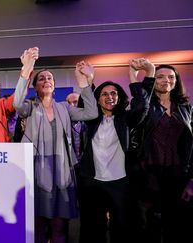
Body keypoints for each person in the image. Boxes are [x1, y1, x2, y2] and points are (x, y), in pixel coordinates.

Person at [13, 55, 99, 243]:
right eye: (41, 78)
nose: (46, 80)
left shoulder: (65, 108)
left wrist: (83, 83)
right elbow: (16, 103)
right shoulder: (29, 107)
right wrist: (26, 71)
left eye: (49, 77)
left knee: (60, 226)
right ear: (35, 86)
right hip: (36, 169)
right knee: (38, 226)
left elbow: (92, 113)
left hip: (62, 170)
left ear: (54, 84)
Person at [75, 77, 149, 243]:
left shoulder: (127, 119)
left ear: (119, 97)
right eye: (104, 94)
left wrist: (135, 79)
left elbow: (142, 106)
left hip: (120, 182)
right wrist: (88, 81)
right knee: (92, 228)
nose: (110, 97)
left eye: (114, 93)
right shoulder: (91, 120)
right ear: (98, 99)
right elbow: (83, 104)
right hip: (92, 182)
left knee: (123, 228)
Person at [129, 58, 193, 243]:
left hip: (178, 176)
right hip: (147, 176)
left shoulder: (186, 108)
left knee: (177, 226)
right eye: (160, 77)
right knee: (149, 229)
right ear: (152, 80)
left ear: (176, 81)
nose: (167, 80)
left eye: (171, 77)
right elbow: (135, 118)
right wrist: (141, 76)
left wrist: (191, 179)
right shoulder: (144, 105)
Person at [66, 92, 84, 160]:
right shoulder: (62, 124)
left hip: (85, 164)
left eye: (75, 102)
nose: (71, 105)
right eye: (68, 103)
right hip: (69, 164)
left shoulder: (88, 123)